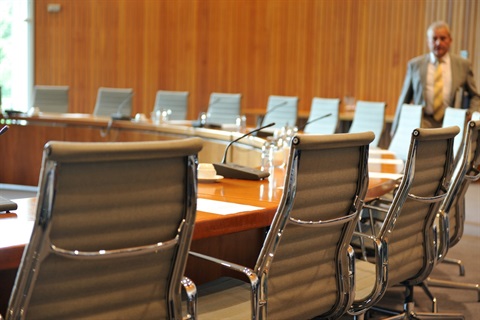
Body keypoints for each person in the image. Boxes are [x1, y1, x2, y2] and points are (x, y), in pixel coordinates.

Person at [391, 21, 480, 136]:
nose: (438, 43)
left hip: (452, 125)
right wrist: (395, 128)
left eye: (443, 38)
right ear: (428, 41)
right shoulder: (415, 65)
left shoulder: (463, 65)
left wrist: (471, 114)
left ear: (450, 40)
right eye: (434, 39)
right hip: (423, 124)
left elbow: (475, 96)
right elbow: (404, 98)